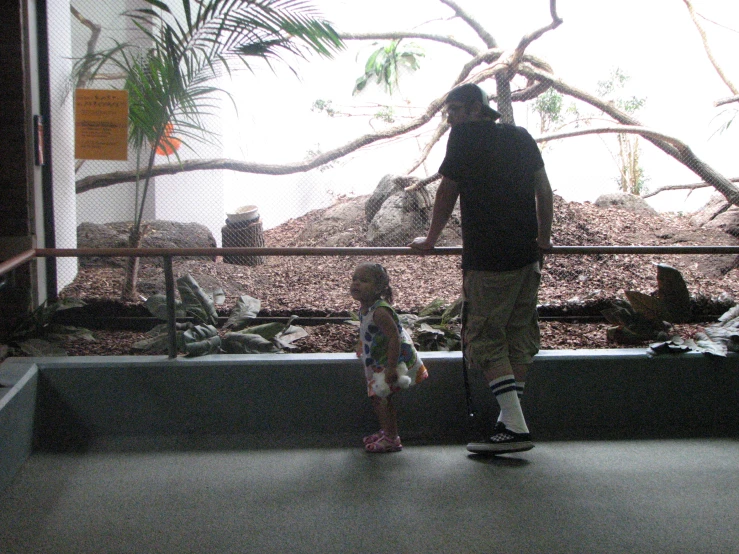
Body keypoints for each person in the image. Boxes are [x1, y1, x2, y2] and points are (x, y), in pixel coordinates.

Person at [410, 82, 554, 455]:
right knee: (517, 335)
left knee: (486, 338)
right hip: (527, 257)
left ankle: (516, 427)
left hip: (489, 260)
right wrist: (544, 239)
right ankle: (508, 424)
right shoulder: (520, 136)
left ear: (475, 109)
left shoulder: (464, 139)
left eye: (455, 109)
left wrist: (430, 239)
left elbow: (446, 192)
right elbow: (544, 189)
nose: (451, 118)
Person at [350, 262, 429, 453]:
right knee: (379, 399)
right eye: (354, 279)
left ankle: (392, 438)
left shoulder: (380, 312)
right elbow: (371, 333)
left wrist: (391, 367)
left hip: (388, 364)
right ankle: (388, 431)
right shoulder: (366, 308)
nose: (356, 284)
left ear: (378, 288)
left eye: (364, 280)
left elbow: (394, 338)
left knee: (382, 399)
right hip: (378, 363)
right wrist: (362, 347)